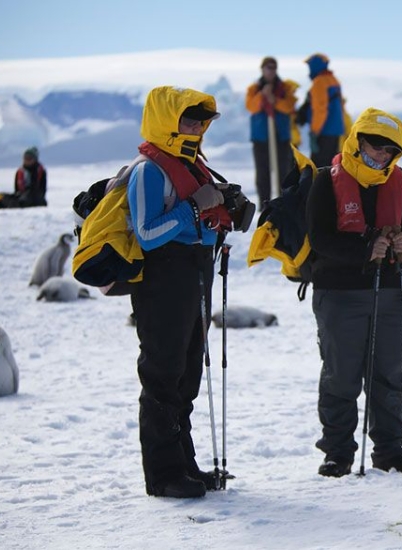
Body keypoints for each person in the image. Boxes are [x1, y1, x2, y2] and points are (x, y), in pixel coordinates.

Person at [306, 107, 402, 477]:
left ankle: (390, 451)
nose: (383, 155)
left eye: (391, 151)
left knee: (389, 374)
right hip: (339, 294)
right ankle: (337, 453)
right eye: (377, 146)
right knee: (341, 376)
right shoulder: (324, 180)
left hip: (393, 290)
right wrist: (365, 248)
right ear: (358, 140)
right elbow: (320, 239)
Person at [128, 86, 238, 498]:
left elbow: (201, 219)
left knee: (188, 374)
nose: (196, 128)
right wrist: (193, 209)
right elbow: (147, 232)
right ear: (166, 121)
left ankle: (185, 465)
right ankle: (163, 474)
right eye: (188, 120)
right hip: (162, 281)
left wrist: (227, 212)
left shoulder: (195, 167)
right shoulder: (148, 171)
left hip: (195, 273)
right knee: (162, 375)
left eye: (201, 121)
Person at [246, 56, 297, 204]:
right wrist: (262, 95)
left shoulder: (285, 87)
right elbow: (251, 106)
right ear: (262, 69)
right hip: (261, 136)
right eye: (268, 67)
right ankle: (265, 203)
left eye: (273, 67)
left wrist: (274, 100)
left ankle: (284, 202)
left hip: (281, 136)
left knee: (284, 171)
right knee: (263, 173)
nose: (271, 71)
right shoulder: (254, 88)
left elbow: (289, 107)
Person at [296, 53, 345, 168]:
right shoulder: (333, 80)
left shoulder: (319, 82)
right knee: (332, 167)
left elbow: (320, 109)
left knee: (318, 169)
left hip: (323, 132)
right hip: (335, 131)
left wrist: (315, 131)